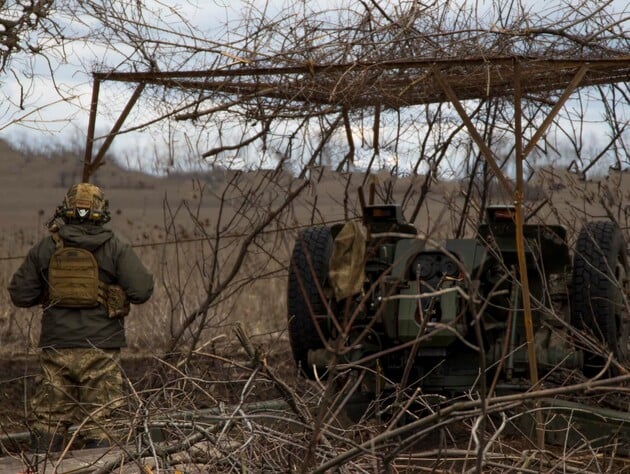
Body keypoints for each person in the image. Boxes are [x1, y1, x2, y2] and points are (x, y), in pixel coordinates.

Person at [8, 182, 154, 453]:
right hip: (101, 347)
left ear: (66, 209)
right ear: (102, 210)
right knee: (101, 421)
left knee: (48, 420)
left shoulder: (47, 248)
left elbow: (19, 293)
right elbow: (142, 290)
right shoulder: (115, 247)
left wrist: (50, 290)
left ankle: (41, 469)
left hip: (56, 346)